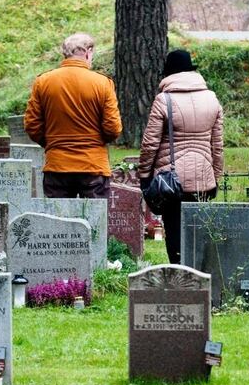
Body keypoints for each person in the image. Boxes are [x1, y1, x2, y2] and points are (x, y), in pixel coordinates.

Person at [138, 49, 224, 264]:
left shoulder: (164, 100)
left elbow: (150, 144)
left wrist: (145, 175)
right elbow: (218, 145)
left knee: (174, 230)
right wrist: (217, 177)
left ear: (169, 74)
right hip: (203, 179)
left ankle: (178, 274)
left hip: (171, 182)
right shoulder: (212, 99)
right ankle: (199, 274)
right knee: (199, 230)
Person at [24, 33, 122, 199]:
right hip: (93, 165)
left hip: (57, 165)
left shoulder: (43, 82)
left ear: (65, 54)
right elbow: (113, 128)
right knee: (94, 222)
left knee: (58, 222)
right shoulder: (102, 83)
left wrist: (53, 143)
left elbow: (32, 125)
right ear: (88, 52)